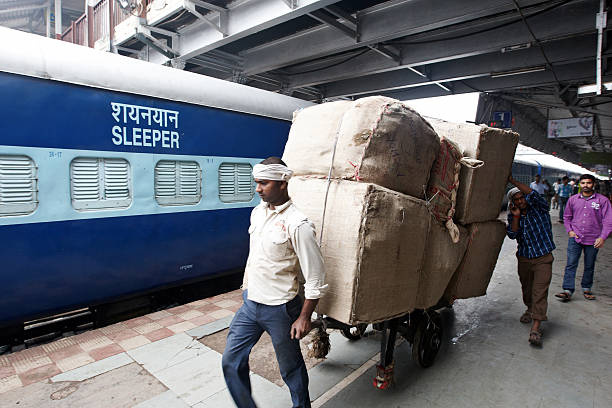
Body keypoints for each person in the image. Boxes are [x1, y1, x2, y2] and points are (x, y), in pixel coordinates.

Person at [222, 157, 327, 408]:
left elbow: (316, 276)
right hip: (250, 305)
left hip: (281, 310)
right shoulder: (257, 213)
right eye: (256, 183)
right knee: (231, 361)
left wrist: (304, 317)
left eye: (264, 183)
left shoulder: (298, 224)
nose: (257, 188)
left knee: (290, 368)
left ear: (282, 183)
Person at [506, 175, 555, 347]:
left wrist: (512, 180)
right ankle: (529, 308)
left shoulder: (540, 209)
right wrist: (517, 218)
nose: (520, 201)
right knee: (527, 288)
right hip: (525, 258)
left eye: (522, 197)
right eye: (516, 199)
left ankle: (536, 327)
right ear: (513, 203)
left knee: (539, 291)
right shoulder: (514, 216)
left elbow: (534, 194)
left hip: (543, 258)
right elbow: (512, 235)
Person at [555, 174, 612, 302]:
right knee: (571, 263)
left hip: (594, 239)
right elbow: (567, 217)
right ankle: (567, 290)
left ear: (594, 184)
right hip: (576, 237)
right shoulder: (573, 200)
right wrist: (569, 231)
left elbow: (608, 221)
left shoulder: (602, 201)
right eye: (583, 183)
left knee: (589, 264)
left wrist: (602, 237)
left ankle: (586, 288)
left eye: (589, 183)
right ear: (579, 184)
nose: (586, 185)